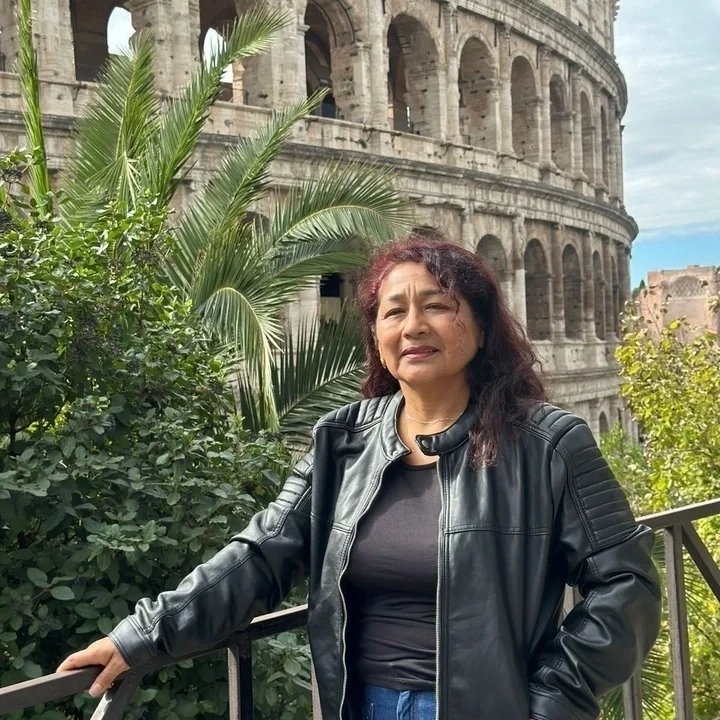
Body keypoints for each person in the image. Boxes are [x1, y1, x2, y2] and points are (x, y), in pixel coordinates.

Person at [58, 238, 662, 720]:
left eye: (437, 305)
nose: (413, 326)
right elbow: (262, 554)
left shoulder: (547, 443)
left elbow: (626, 587)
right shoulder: (342, 441)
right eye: (393, 312)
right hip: (358, 705)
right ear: (376, 337)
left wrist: (550, 703)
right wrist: (143, 634)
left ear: (480, 325)